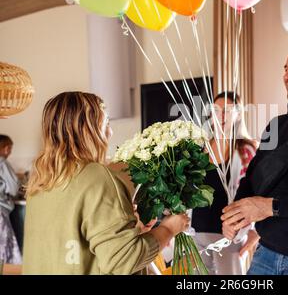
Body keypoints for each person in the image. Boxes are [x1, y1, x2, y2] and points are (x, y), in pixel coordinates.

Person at [23, 92, 189, 274]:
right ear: (87, 129)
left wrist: (131, 227)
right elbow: (123, 261)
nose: (110, 132)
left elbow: (73, 246)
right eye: (106, 123)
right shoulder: (96, 175)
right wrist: (169, 228)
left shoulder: (40, 180)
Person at [221, 39, 288, 275]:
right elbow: (252, 179)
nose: (287, 76)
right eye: (286, 69)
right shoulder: (275, 127)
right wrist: (235, 215)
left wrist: (272, 207)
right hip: (265, 254)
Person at [191, 92, 259, 275]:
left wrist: (255, 233)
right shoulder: (200, 149)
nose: (221, 115)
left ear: (238, 115)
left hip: (229, 236)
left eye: (228, 110)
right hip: (196, 233)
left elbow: (259, 192)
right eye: (216, 110)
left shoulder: (246, 150)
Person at [0, 134, 22, 264]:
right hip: (1, 210)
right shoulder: (3, 162)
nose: (10, 151)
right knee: (4, 251)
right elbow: (14, 187)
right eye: (10, 148)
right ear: (5, 148)